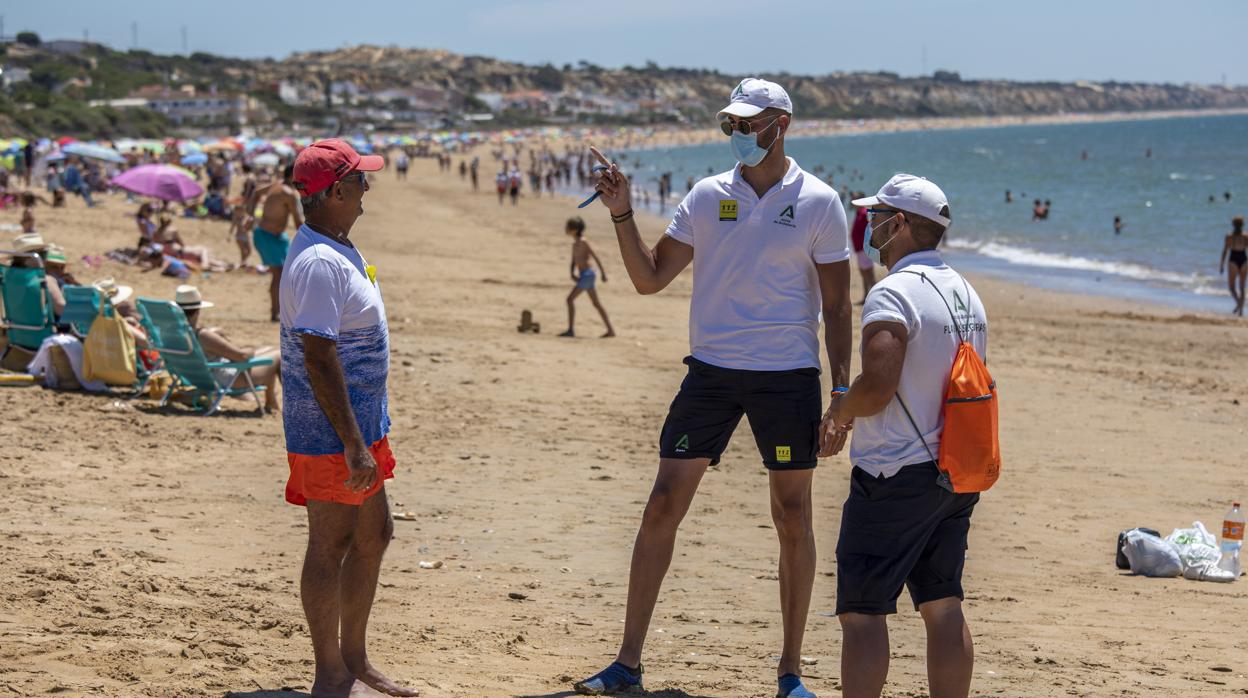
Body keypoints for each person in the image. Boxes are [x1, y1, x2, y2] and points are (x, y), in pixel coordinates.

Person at [574, 78, 853, 698]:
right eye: (730, 125)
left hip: (788, 377)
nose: (738, 136)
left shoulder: (819, 202)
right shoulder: (706, 196)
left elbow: (837, 306)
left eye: (748, 125)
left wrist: (841, 394)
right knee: (661, 505)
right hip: (711, 374)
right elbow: (649, 279)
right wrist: (621, 211)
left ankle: (789, 672)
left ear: (782, 126)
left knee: (792, 515)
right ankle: (627, 665)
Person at [822, 174, 987, 698]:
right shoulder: (967, 294)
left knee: (863, 612)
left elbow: (879, 385)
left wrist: (840, 412)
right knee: (943, 606)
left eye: (877, 217)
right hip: (955, 470)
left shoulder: (892, 292)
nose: (869, 225)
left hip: (894, 472)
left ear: (902, 225)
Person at [281, 139, 417, 698]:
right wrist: (353, 446)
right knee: (330, 544)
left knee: (374, 536)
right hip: (333, 436)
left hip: (361, 428)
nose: (368, 188)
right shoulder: (317, 262)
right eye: (361, 180)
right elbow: (317, 356)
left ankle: (355, 659)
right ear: (336, 191)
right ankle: (330, 675)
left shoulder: (336, 246)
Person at [175, 285, 281, 412]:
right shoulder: (203, 336)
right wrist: (249, 349)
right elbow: (242, 356)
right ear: (198, 310)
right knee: (277, 354)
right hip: (230, 379)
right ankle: (288, 404)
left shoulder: (175, 333)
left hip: (199, 378)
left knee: (268, 350)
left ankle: (272, 402)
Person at [250, 164, 305, 322]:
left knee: (288, 273)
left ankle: (283, 311)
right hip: (267, 236)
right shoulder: (289, 194)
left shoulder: (276, 185)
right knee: (279, 274)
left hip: (277, 236)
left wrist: (251, 214)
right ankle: (275, 313)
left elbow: (255, 193)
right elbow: (298, 222)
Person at [558, 216, 615, 338]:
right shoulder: (574, 244)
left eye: (568, 227)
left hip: (588, 274)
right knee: (596, 304)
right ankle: (611, 330)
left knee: (569, 300)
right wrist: (572, 273)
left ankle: (570, 330)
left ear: (575, 229)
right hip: (584, 275)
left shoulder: (584, 242)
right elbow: (573, 261)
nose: (566, 229)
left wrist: (603, 274)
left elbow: (595, 257)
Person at [849, 193, 876, 303]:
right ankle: (866, 296)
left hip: (864, 248)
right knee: (863, 274)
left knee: (869, 274)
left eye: (855, 199)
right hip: (859, 248)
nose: (853, 202)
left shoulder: (865, 212)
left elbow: (871, 228)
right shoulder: (859, 212)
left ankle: (874, 298)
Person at [1220, 216, 1247, 316]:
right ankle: (1241, 311)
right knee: (1242, 287)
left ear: (1233, 225)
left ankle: (1238, 303)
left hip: (1233, 260)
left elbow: (1225, 251)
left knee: (1232, 287)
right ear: (1242, 225)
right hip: (1244, 259)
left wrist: (1221, 265)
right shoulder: (1246, 236)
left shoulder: (1229, 236)